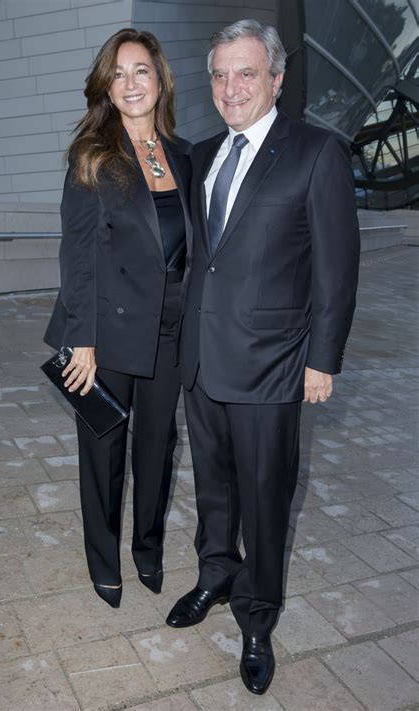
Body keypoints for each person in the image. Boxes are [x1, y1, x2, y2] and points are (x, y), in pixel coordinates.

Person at [166, 20, 360, 695]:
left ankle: (257, 617)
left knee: (266, 498)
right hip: (203, 360)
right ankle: (216, 571)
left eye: (246, 73)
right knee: (213, 487)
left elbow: (337, 268)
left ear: (276, 79)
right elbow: (202, 259)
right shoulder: (202, 153)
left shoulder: (316, 153)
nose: (230, 87)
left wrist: (322, 359)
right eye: (220, 74)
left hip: (273, 365)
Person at [44, 28, 191, 609]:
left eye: (142, 71)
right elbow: (76, 255)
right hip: (105, 333)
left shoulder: (185, 154)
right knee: (104, 455)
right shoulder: (93, 157)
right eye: (119, 73)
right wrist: (81, 339)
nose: (131, 84)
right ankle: (104, 560)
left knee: (157, 448)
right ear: (107, 86)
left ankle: (147, 548)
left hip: (170, 331)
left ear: (160, 80)